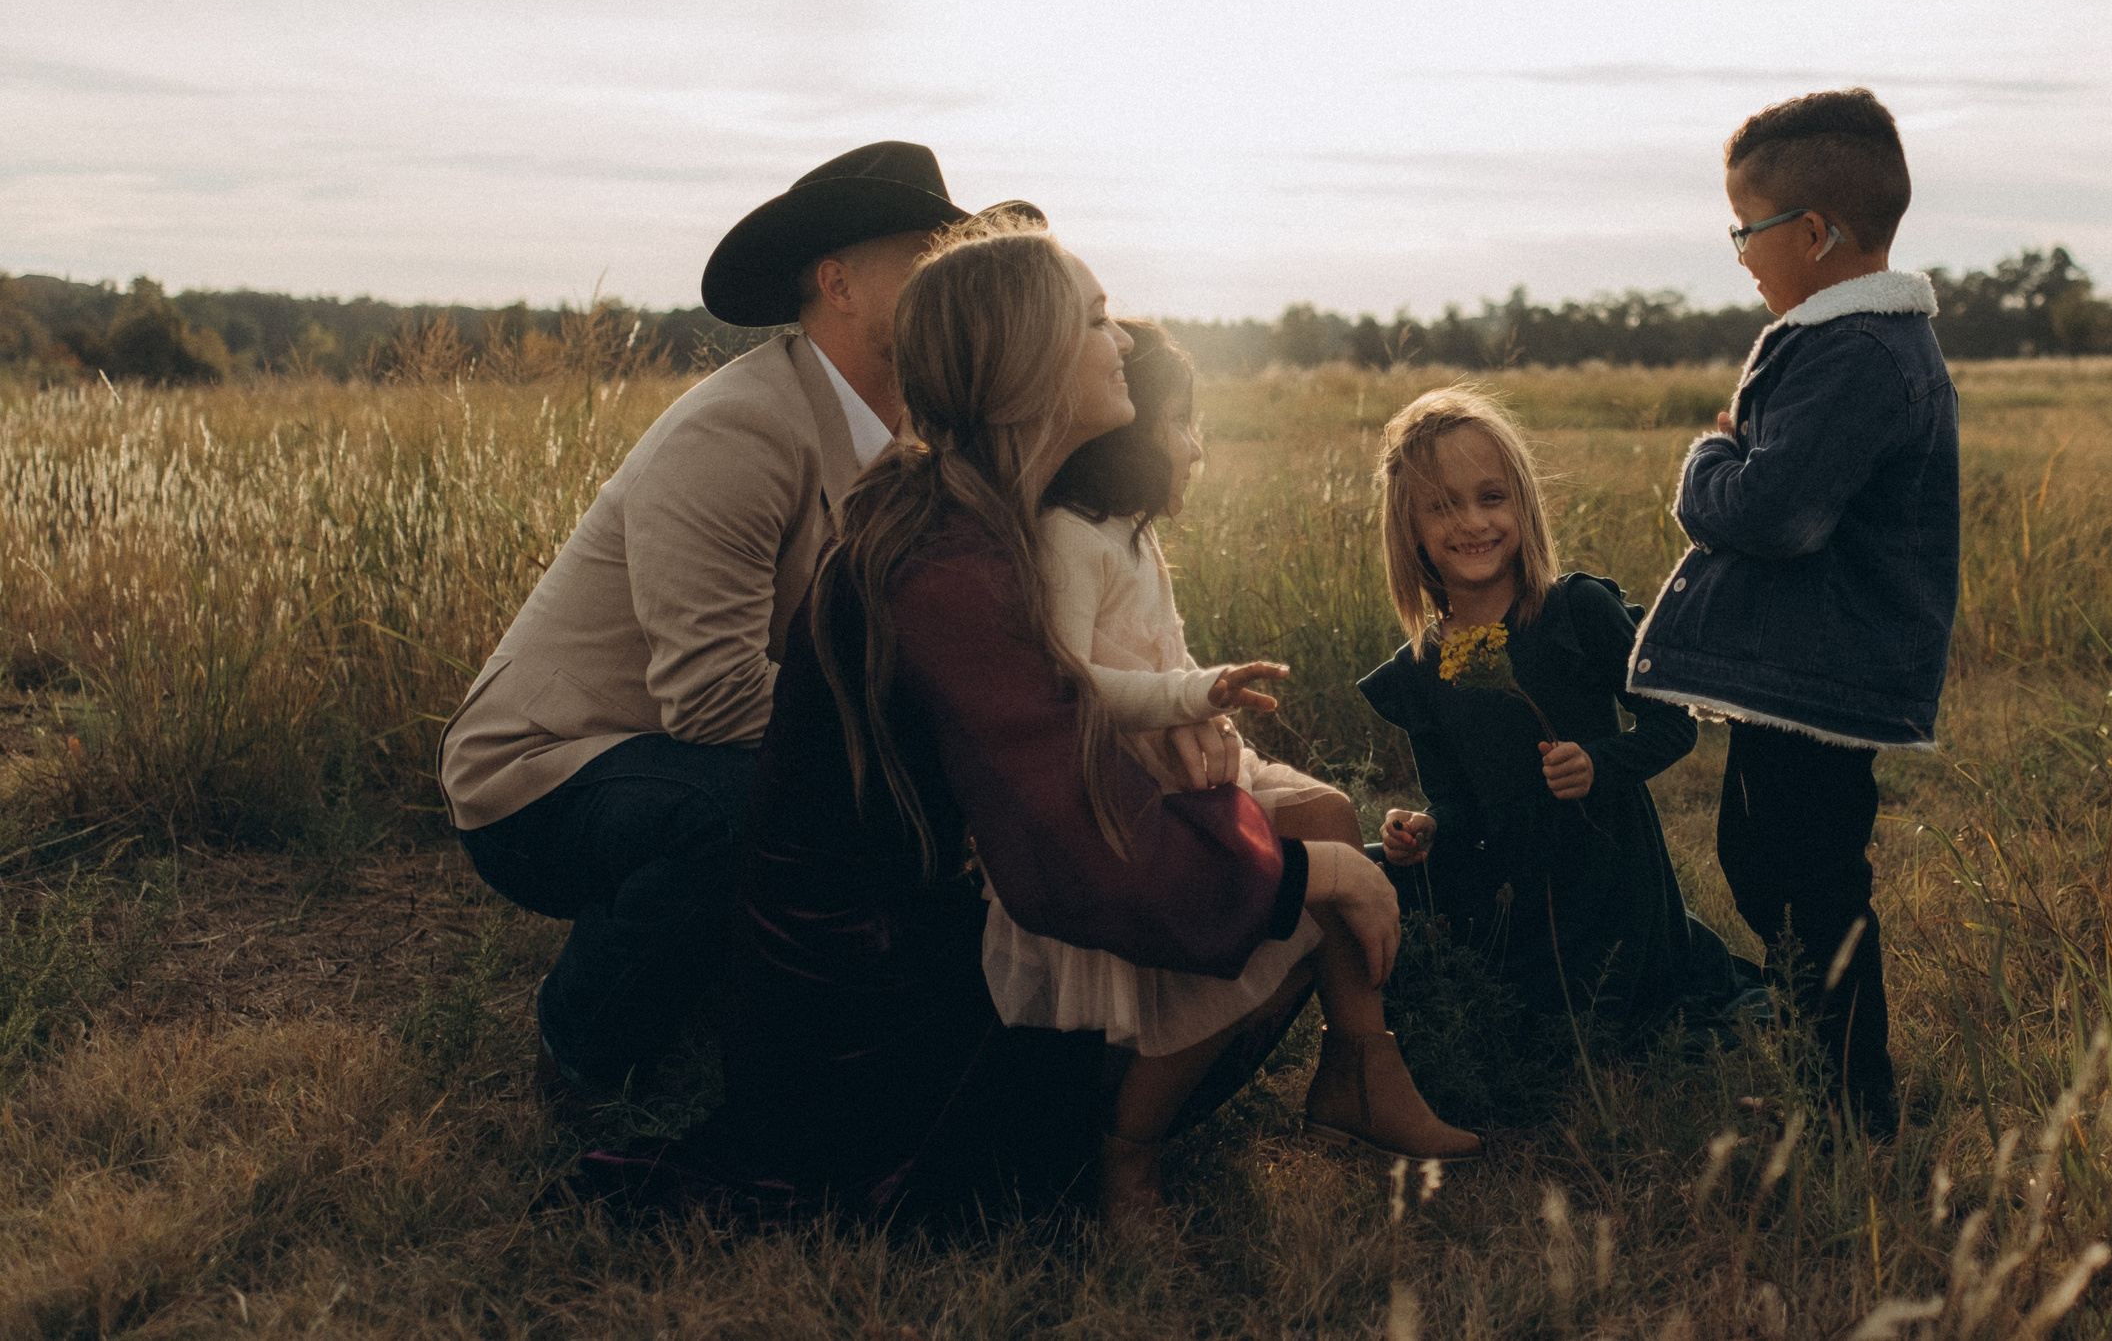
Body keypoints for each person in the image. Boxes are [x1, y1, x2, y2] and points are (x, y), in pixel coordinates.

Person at [615, 222, 1416, 1230]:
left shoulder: (972, 515)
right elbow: (1070, 844)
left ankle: (1152, 1120)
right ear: (1022, 358)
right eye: (1091, 320)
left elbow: (1063, 744)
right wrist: (1315, 871)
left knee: (1286, 841)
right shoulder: (943, 562)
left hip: (902, 949)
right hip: (872, 1024)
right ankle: (1105, 1150)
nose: (1121, 341)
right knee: (1294, 879)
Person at [438, 141, 1003, 1097]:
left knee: (880, 807)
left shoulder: (916, 438)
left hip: (677, 750)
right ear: (839, 284)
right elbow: (710, 698)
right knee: (740, 816)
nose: (953, 282)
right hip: (548, 771)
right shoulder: (738, 427)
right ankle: (583, 1049)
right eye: (925, 257)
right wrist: (926, 742)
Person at [980, 320, 1478, 1191]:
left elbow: (1164, 667)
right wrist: (1193, 697)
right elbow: (1068, 686)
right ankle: (1133, 1149)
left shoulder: (1133, 537)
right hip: (1122, 799)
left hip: (1181, 770)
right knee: (1310, 854)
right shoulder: (1070, 536)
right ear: (1131, 440)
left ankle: (1363, 1060)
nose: (1197, 446)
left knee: (1327, 813)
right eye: (1180, 424)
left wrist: (1207, 720)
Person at [1628, 87, 1961, 1137]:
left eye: (1746, 228)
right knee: (1761, 859)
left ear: (1813, 232)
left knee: (1807, 878)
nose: (1739, 252)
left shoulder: (1855, 352)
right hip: (1805, 668)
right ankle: (1819, 1049)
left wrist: (1708, 458)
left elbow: (1774, 512)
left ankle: (1852, 1099)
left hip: (1828, 671)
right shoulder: (1837, 342)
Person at [1357, 386, 1756, 1034]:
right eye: (1442, 507)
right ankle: (1372, 1041)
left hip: (1603, 878)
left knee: (1562, 1025)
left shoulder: (1576, 613)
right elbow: (1458, 805)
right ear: (1410, 530)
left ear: (1523, 504)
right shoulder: (1421, 668)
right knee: (1360, 876)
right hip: (1506, 877)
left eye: (1491, 498)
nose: (1471, 523)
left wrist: (1600, 764)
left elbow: (1673, 725)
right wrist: (1425, 830)